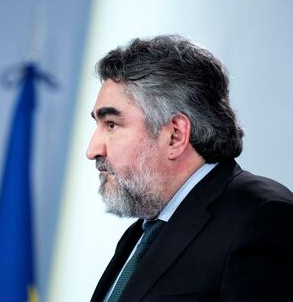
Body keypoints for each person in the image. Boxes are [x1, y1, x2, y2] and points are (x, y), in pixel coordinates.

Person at [87, 35, 293, 302]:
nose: (92, 150)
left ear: (174, 135)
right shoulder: (142, 233)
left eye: (112, 124)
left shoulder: (262, 218)